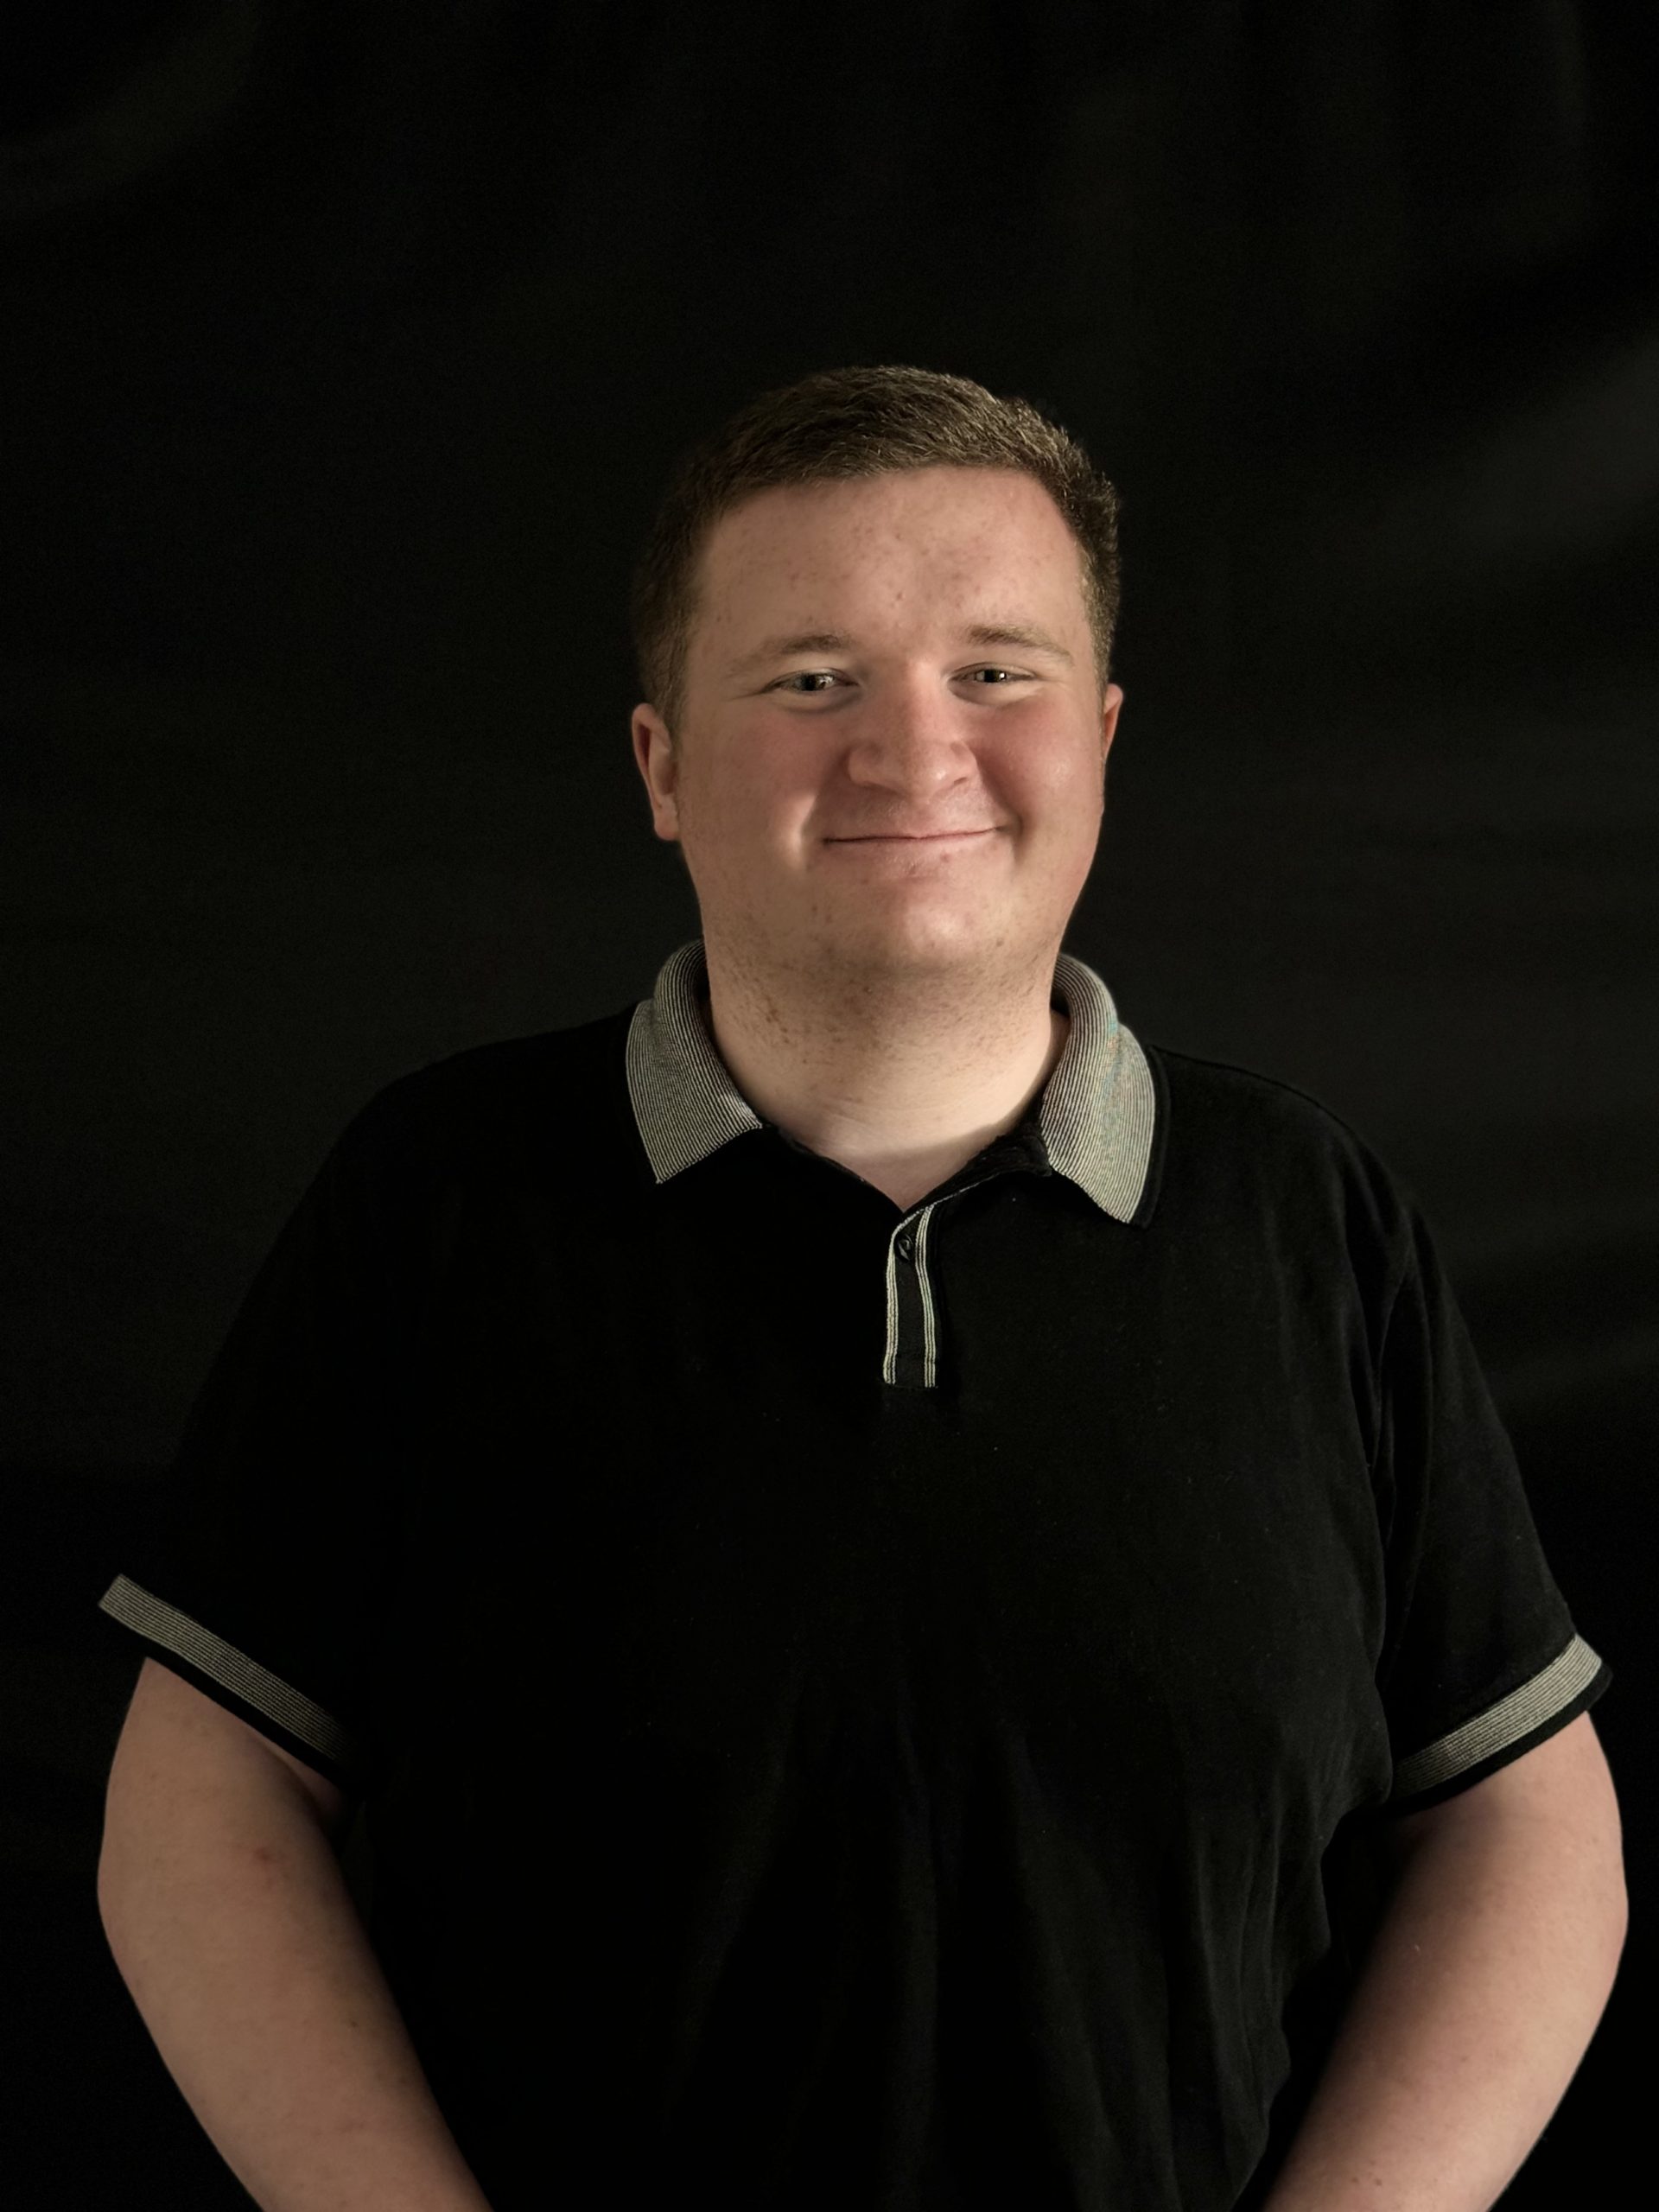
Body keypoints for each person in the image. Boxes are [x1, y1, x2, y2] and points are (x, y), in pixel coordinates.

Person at [96, 364, 1613, 2211]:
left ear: (1102, 735)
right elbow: (203, 1802)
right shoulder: (439, 1200)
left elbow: (1522, 1815)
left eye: (996, 670)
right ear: (661, 765)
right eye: (813, 679)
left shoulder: (1310, 1217)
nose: (912, 749)